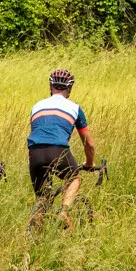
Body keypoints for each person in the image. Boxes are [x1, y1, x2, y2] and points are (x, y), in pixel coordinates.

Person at [27, 68, 97, 230]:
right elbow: (89, 144)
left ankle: (32, 241)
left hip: (35, 152)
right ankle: (64, 212)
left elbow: (39, 132)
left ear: (50, 87)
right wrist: (89, 163)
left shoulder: (37, 106)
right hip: (57, 149)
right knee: (74, 178)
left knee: (42, 200)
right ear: (70, 88)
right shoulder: (74, 108)